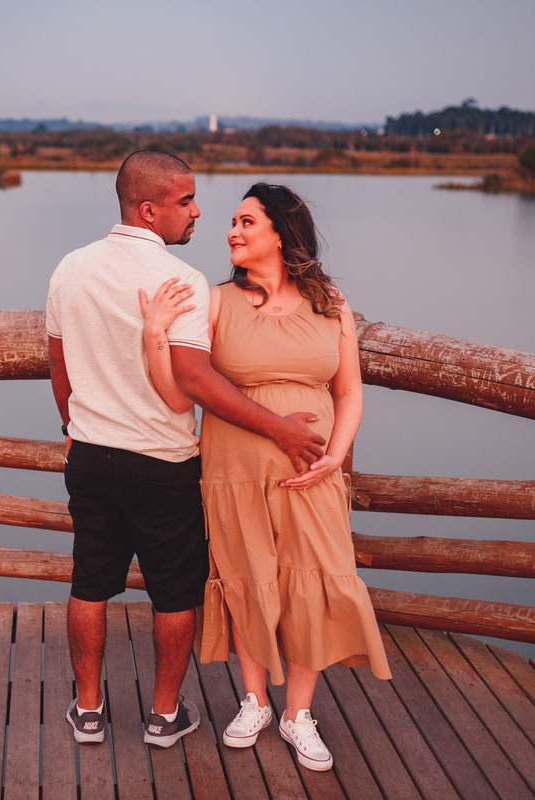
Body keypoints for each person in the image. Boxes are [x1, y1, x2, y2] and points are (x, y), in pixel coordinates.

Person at [47, 154, 327, 749]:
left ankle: (89, 711)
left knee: (90, 582)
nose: (198, 212)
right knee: (174, 592)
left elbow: (58, 360)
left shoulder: (70, 268)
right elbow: (194, 380)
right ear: (149, 210)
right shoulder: (183, 281)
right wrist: (279, 428)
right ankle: (163, 717)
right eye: (186, 201)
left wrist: (71, 423)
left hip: (90, 454)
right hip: (162, 460)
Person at [140, 182, 392, 771]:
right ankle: (253, 701)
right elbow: (178, 397)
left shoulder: (330, 302)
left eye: (246, 222)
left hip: (313, 472)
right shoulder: (215, 301)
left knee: (314, 580)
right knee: (245, 575)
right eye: (232, 222)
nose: (231, 231)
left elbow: (349, 392)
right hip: (232, 471)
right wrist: (154, 334)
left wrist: (335, 456)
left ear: (281, 232)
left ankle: (297, 714)